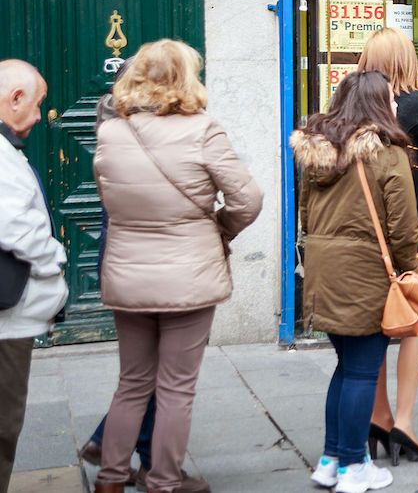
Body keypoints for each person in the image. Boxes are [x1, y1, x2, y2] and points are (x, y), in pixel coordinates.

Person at [93, 40, 263, 493]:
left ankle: (109, 481)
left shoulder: (111, 132)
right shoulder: (203, 130)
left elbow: (109, 198)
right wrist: (220, 228)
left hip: (128, 271)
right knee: (175, 388)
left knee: (131, 382)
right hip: (188, 274)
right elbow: (248, 199)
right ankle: (163, 481)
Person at [291, 70, 418, 493]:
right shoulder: (387, 153)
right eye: (391, 98)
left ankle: (331, 458)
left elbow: (306, 214)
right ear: (379, 105)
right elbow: (403, 225)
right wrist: (405, 269)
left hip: (323, 266)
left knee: (346, 368)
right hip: (365, 270)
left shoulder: (318, 151)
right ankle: (351, 467)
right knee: (363, 371)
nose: (397, 105)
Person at [357, 28, 418, 464]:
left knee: (373, 317)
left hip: (361, 220)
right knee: (416, 310)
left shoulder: (348, 103)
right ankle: (405, 422)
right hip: (409, 210)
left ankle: (379, 415)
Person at [80, 59, 157, 486]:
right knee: (156, 369)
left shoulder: (111, 121)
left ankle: (124, 456)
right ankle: (147, 463)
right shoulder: (137, 129)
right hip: (147, 254)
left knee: (144, 368)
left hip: (121, 252)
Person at [0, 60, 68, 493]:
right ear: (15, 98)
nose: (42, 114)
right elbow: (12, 224)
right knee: (4, 422)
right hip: (6, 318)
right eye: (39, 102)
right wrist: (54, 260)